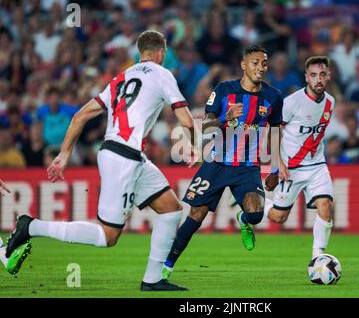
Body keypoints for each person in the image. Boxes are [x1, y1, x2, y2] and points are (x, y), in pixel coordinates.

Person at [4, 30, 196, 291]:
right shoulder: (163, 74)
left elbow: (80, 116)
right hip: (123, 158)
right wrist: (193, 146)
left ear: (140, 53)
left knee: (171, 209)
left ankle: (153, 279)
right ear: (161, 53)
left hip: (126, 155)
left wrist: (64, 154)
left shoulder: (120, 78)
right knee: (107, 236)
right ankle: (32, 227)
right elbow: (185, 119)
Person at [161, 45, 283, 282]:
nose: (260, 68)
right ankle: (166, 266)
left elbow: (276, 133)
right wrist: (225, 118)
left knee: (256, 214)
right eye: (255, 62)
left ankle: (244, 221)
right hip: (217, 162)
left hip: (248, 166)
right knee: (196, 216)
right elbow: (205, 126)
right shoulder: (224, 90)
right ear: (244, 65)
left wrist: (275, 169)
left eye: (264, 63)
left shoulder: (273, 96)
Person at [264, 56, 336, 259]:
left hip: (317, 165)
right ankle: (255, 205)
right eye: (313, 75)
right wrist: (277, 165)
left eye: (322, 74)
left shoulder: (331, 102)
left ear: (328, 76)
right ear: (306, 77)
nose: (318, 79)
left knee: (326, 206)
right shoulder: (291, 102)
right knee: (279, 217)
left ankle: (318, 257)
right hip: (291, 167)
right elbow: (274, 130)